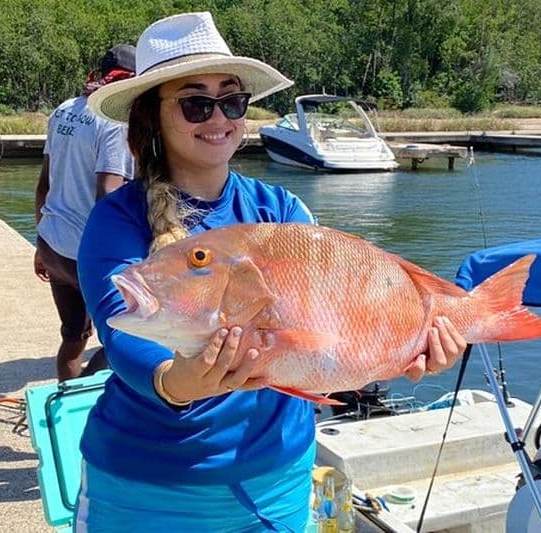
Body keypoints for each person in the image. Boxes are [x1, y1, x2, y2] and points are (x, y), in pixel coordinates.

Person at [75, 12, 467, 532]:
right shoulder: (117, 219)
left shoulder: (280, 210)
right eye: (196, 103)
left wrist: (407, 347)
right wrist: (177, 381)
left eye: (232, 101)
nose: (218, 117)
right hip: (146, 490)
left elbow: (335, 328)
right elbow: (122, 333)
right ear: (153, 117)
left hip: (278, 479)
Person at [34, 44, 136, 382]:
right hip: (86, 255)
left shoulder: (64, 110)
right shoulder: (114, 122)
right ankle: (83, 391)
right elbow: (108, 195)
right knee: (129, 338)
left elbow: (44, 184)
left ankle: (65, 399)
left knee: (74, 336)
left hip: (52, 243)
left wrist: (39, 244)